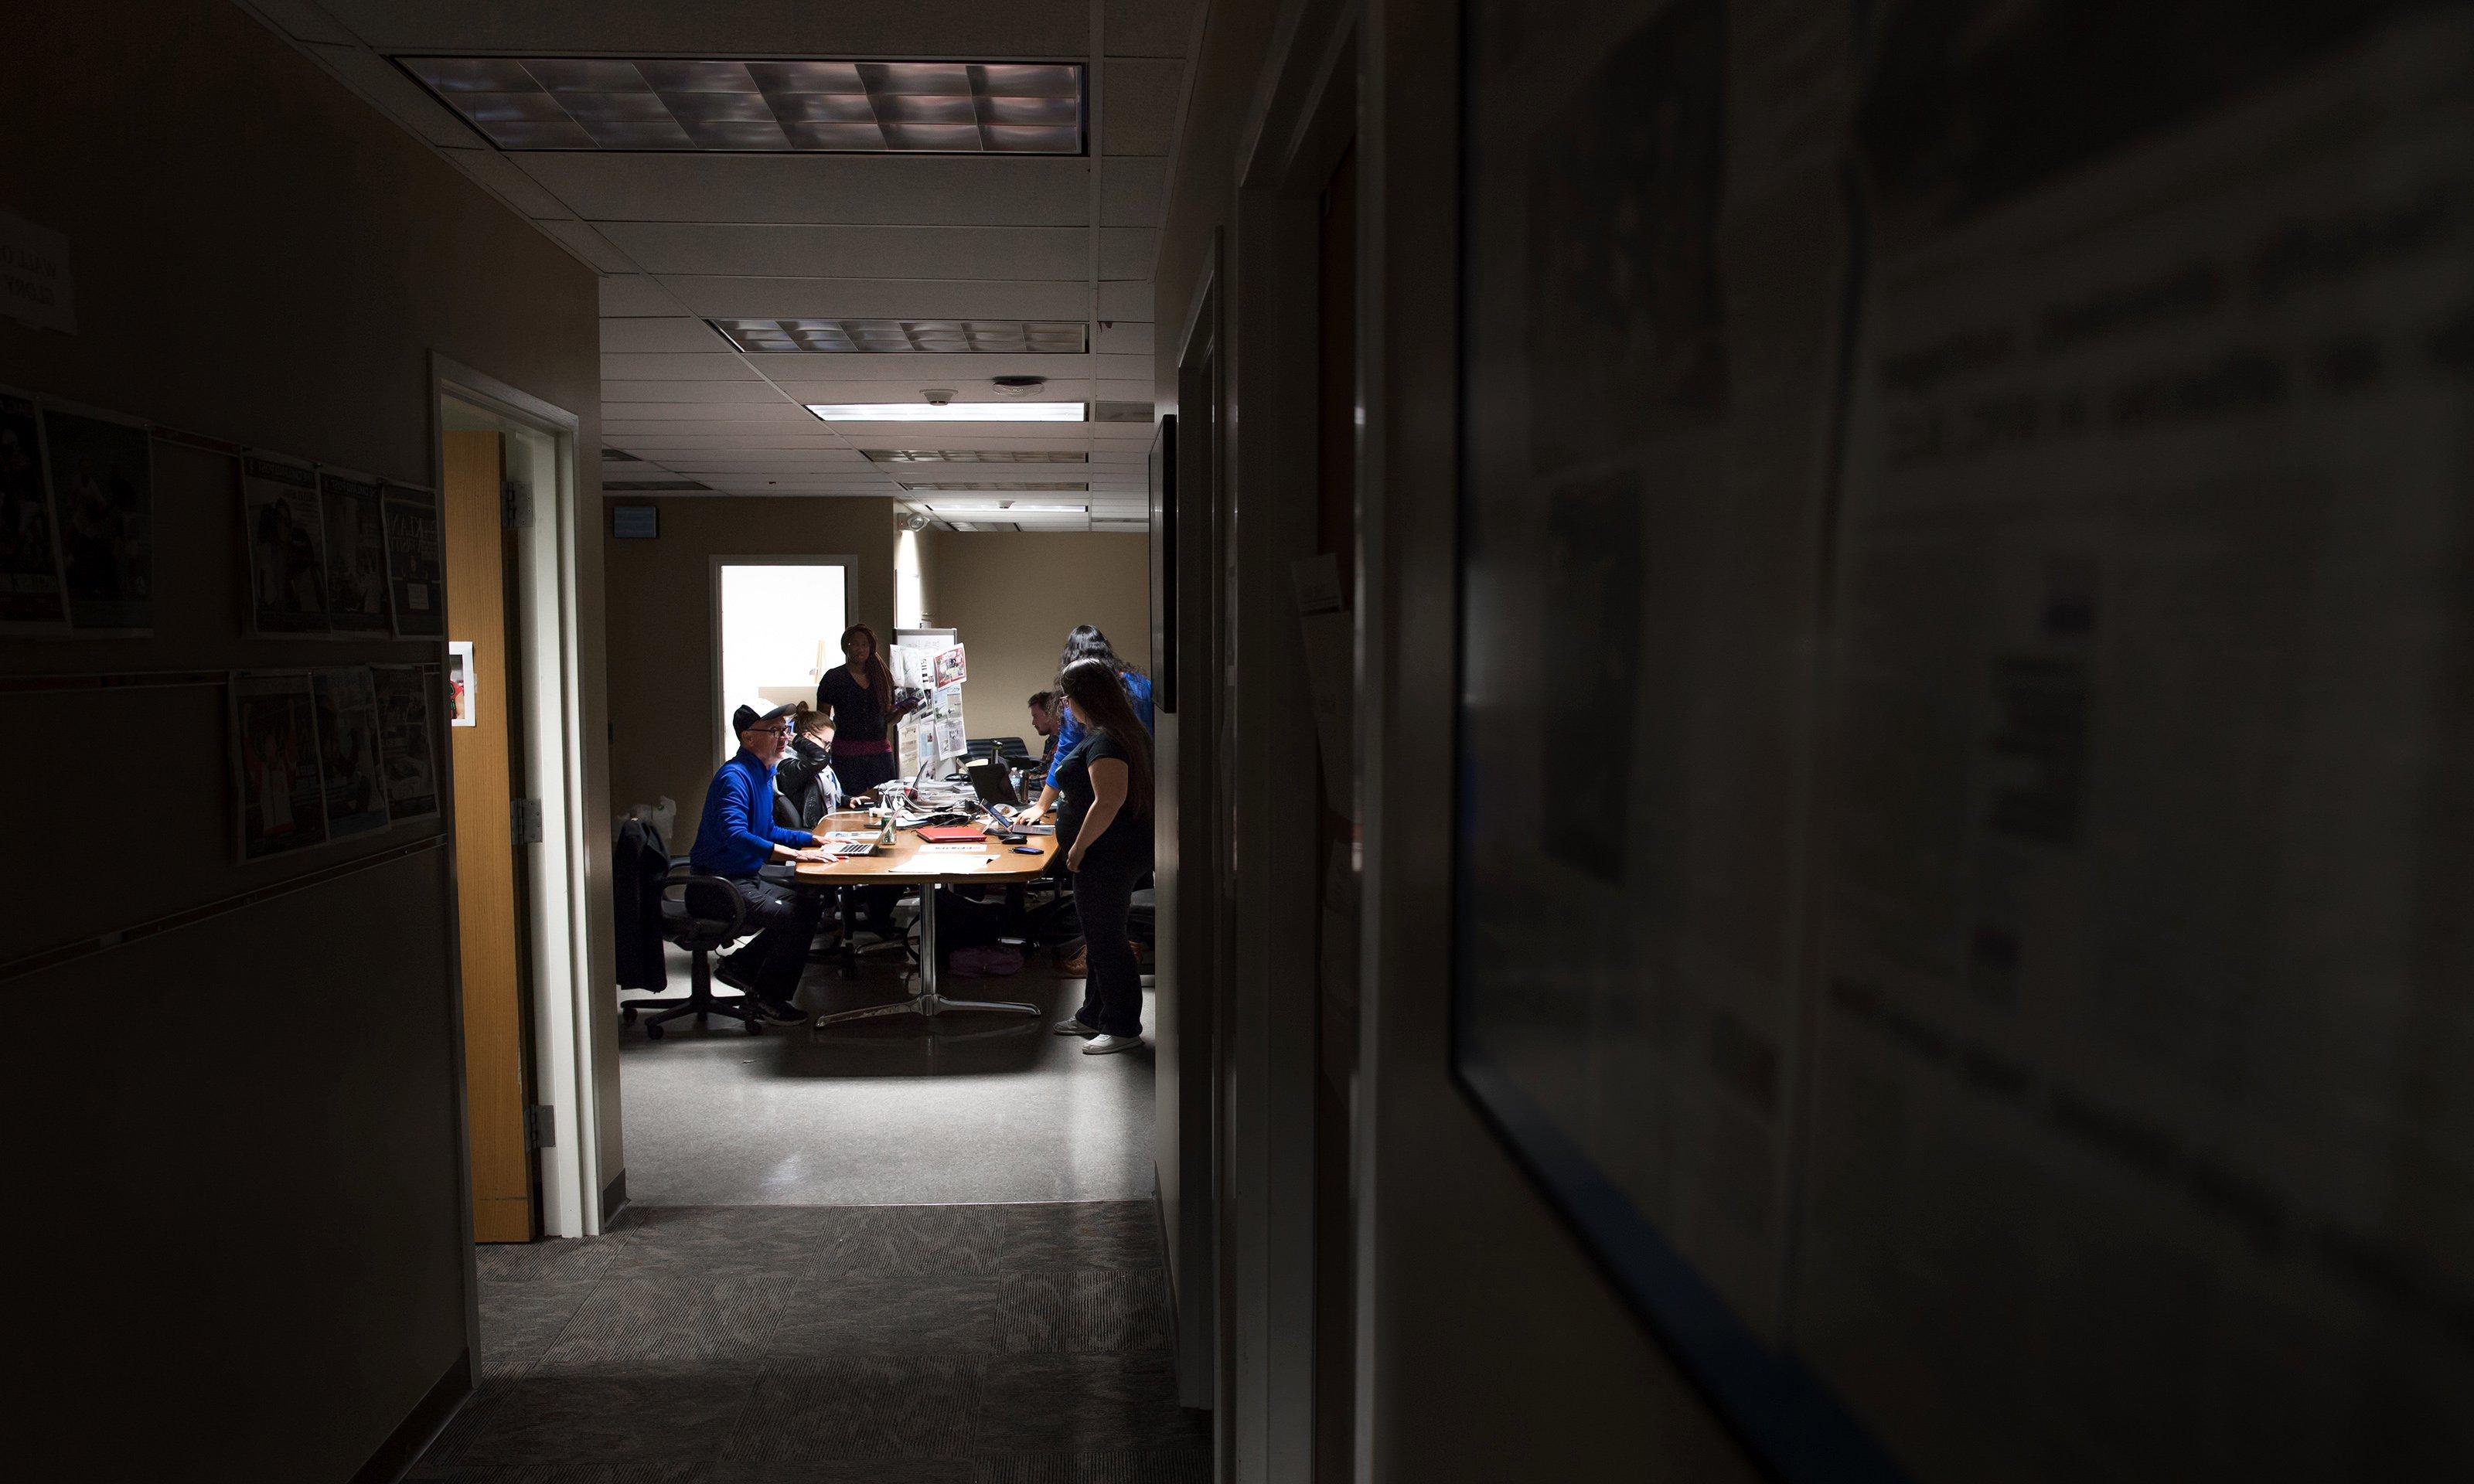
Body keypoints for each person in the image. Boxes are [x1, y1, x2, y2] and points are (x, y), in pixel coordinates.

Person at [687, 702, 833, 1023]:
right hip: (715, 886)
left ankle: (740, 967)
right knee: (795, 915)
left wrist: (812, 839)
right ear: (748, 738)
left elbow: (767, 830)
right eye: (775, 731)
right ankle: (769, 997)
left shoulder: (764, 773)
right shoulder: (734, 777)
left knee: (808, 906)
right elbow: (736, 836)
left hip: (742, 879)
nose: (784, 737)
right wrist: (795, 854)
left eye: (785, 730)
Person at [1049, 658, 1156, 1055]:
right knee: (1098, 937)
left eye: (1067, 697)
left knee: (1107, 941)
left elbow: (1109, 800)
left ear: (1082, 698)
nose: (1065, 704)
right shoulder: (1115, 731)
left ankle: (1123, 1025)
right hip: (1114, 853)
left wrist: (1077, 849)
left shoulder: (1109, 739)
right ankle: (1093, 1014)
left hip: (1107, 856)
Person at [1014, 625, 1154, 829]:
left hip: (1103, 801)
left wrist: (1041, 805)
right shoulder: (1141, 684)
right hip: (1148, 791)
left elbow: (1064, 751)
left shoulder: (1081, 698)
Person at [814, 623, 918, 801]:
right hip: (847, 755)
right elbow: (822, 720)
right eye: (854, 644)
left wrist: (901, 711)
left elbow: (887, 719)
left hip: (880, 754)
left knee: (887, 800)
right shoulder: (833, 678)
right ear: (846, 647)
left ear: (871, 648)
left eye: (865, 645)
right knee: (852, 802)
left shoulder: (880, 676)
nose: (860, 649)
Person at [774, 705, 843, 829]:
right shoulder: (787, 766)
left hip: (825, 827)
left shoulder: (815, 765)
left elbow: (824, 795)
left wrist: (847, 800)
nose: (827, 750)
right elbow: (821, 758)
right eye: (826, 743)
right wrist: (798, 740)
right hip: (811, 833)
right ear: (808, 737)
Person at [1026, 689, 1062, 771]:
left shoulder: (1062, 744)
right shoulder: (1051, 741)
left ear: (1050, 714)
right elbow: (1043, 770)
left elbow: (1051, 779)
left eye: (1035, 717)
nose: (1033, 723)